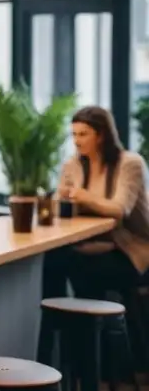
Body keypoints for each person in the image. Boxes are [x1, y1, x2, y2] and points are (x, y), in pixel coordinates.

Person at [47, 106, 149, 300]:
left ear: (101, 135)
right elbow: (59, 207)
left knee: (79, 268)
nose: (76, 141)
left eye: (83, 134)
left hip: (131, 250)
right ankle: (55, 322)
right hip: (90, 244)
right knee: (53, 258)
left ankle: (85, 326)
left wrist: (85, 197)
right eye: (74, 135)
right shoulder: (72, 164)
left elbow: (120, 209)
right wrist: (58, 199)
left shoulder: (130, 163)